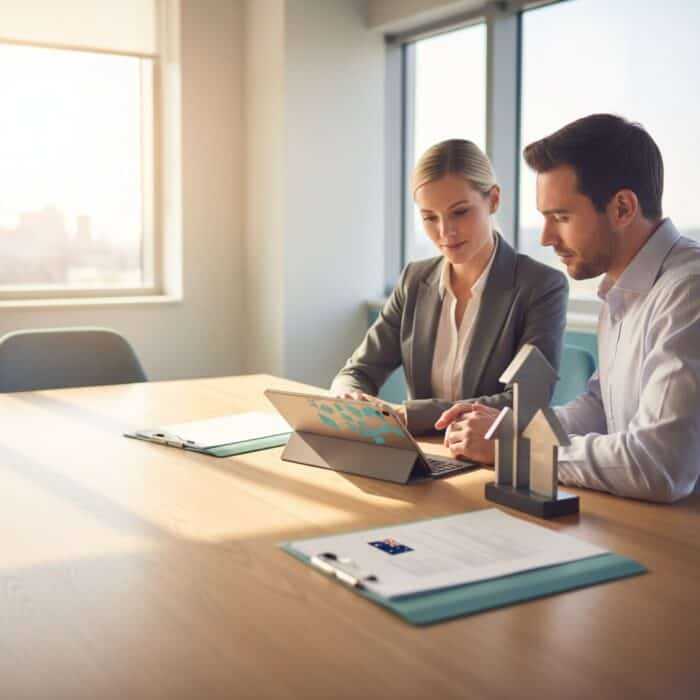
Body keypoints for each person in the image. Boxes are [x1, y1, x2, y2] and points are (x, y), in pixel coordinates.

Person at [437, 114, 700, 503]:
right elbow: (601, 408)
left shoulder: (688, 292)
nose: (545, 238)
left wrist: (514, 450)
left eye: (560, 217)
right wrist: (507, 428)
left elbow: (657, 465)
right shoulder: (621, 289)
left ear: (623, 208)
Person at [330, 139, 568, 434]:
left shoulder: (541, 286)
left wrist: (415, 415)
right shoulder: (414, 281)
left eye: (459, 212)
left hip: (489, 460)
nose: (445, 232)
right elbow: (357, 371)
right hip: (423, 456)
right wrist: (347, 395)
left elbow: (527, 400)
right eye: (430, 217)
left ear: (493, 200)